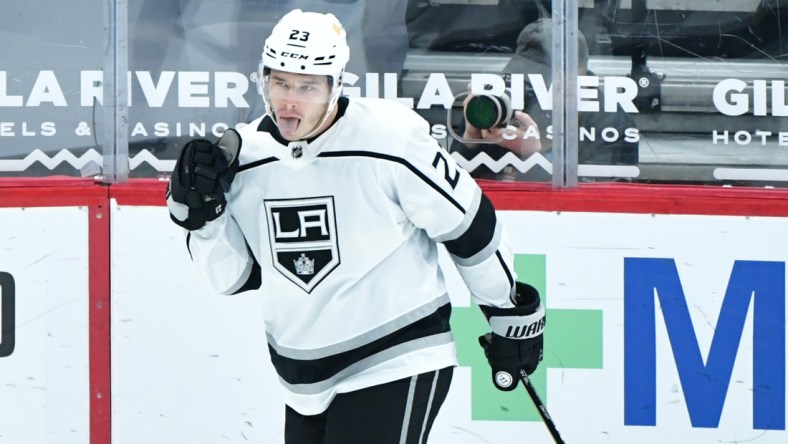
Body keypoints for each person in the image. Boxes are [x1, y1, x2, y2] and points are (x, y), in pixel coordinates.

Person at [165, 9, 545, 444]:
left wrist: (507, 312)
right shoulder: (245, 155)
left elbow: (468, 225)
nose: (290, 100)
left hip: (396, 355)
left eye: (307, 86)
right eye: (281, 82)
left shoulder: (389, 138)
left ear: (334, 85)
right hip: (304, 382)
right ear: (263, 80)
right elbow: (233, 279)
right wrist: (200, 218)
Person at [452, 17, 639, 181]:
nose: (532, 88)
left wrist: (533, 154)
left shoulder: (610, 120)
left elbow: (595, 205)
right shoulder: (498, 102)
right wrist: (470, 139)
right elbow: (452, 188)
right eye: (527, 77)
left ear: (579, 73)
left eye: (544, 79)